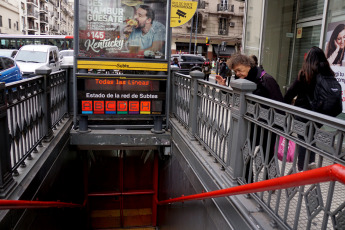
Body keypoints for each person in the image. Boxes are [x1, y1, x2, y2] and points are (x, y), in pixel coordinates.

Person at [216, 54, 283, 183]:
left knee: (268, 155)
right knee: (244, 150)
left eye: (239, 70)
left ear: (248, 65)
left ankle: (272, 182)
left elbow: (279, 105)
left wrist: (277, 127)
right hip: (249, 124)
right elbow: (234, 100)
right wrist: (224, 87)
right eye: (235, 71)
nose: (237, 73)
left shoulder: (266, 80)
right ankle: (248, 182)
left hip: (266, 126)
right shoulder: (240, 80)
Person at [284, 46, 337, 171]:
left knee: (302, 139)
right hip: (319, 114)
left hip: (303, 113)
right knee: (311, 137)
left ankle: (303, 168)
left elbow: (290, 93)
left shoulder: (304, 74)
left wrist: (282, 106)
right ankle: (311, 162)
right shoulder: (328, 73)